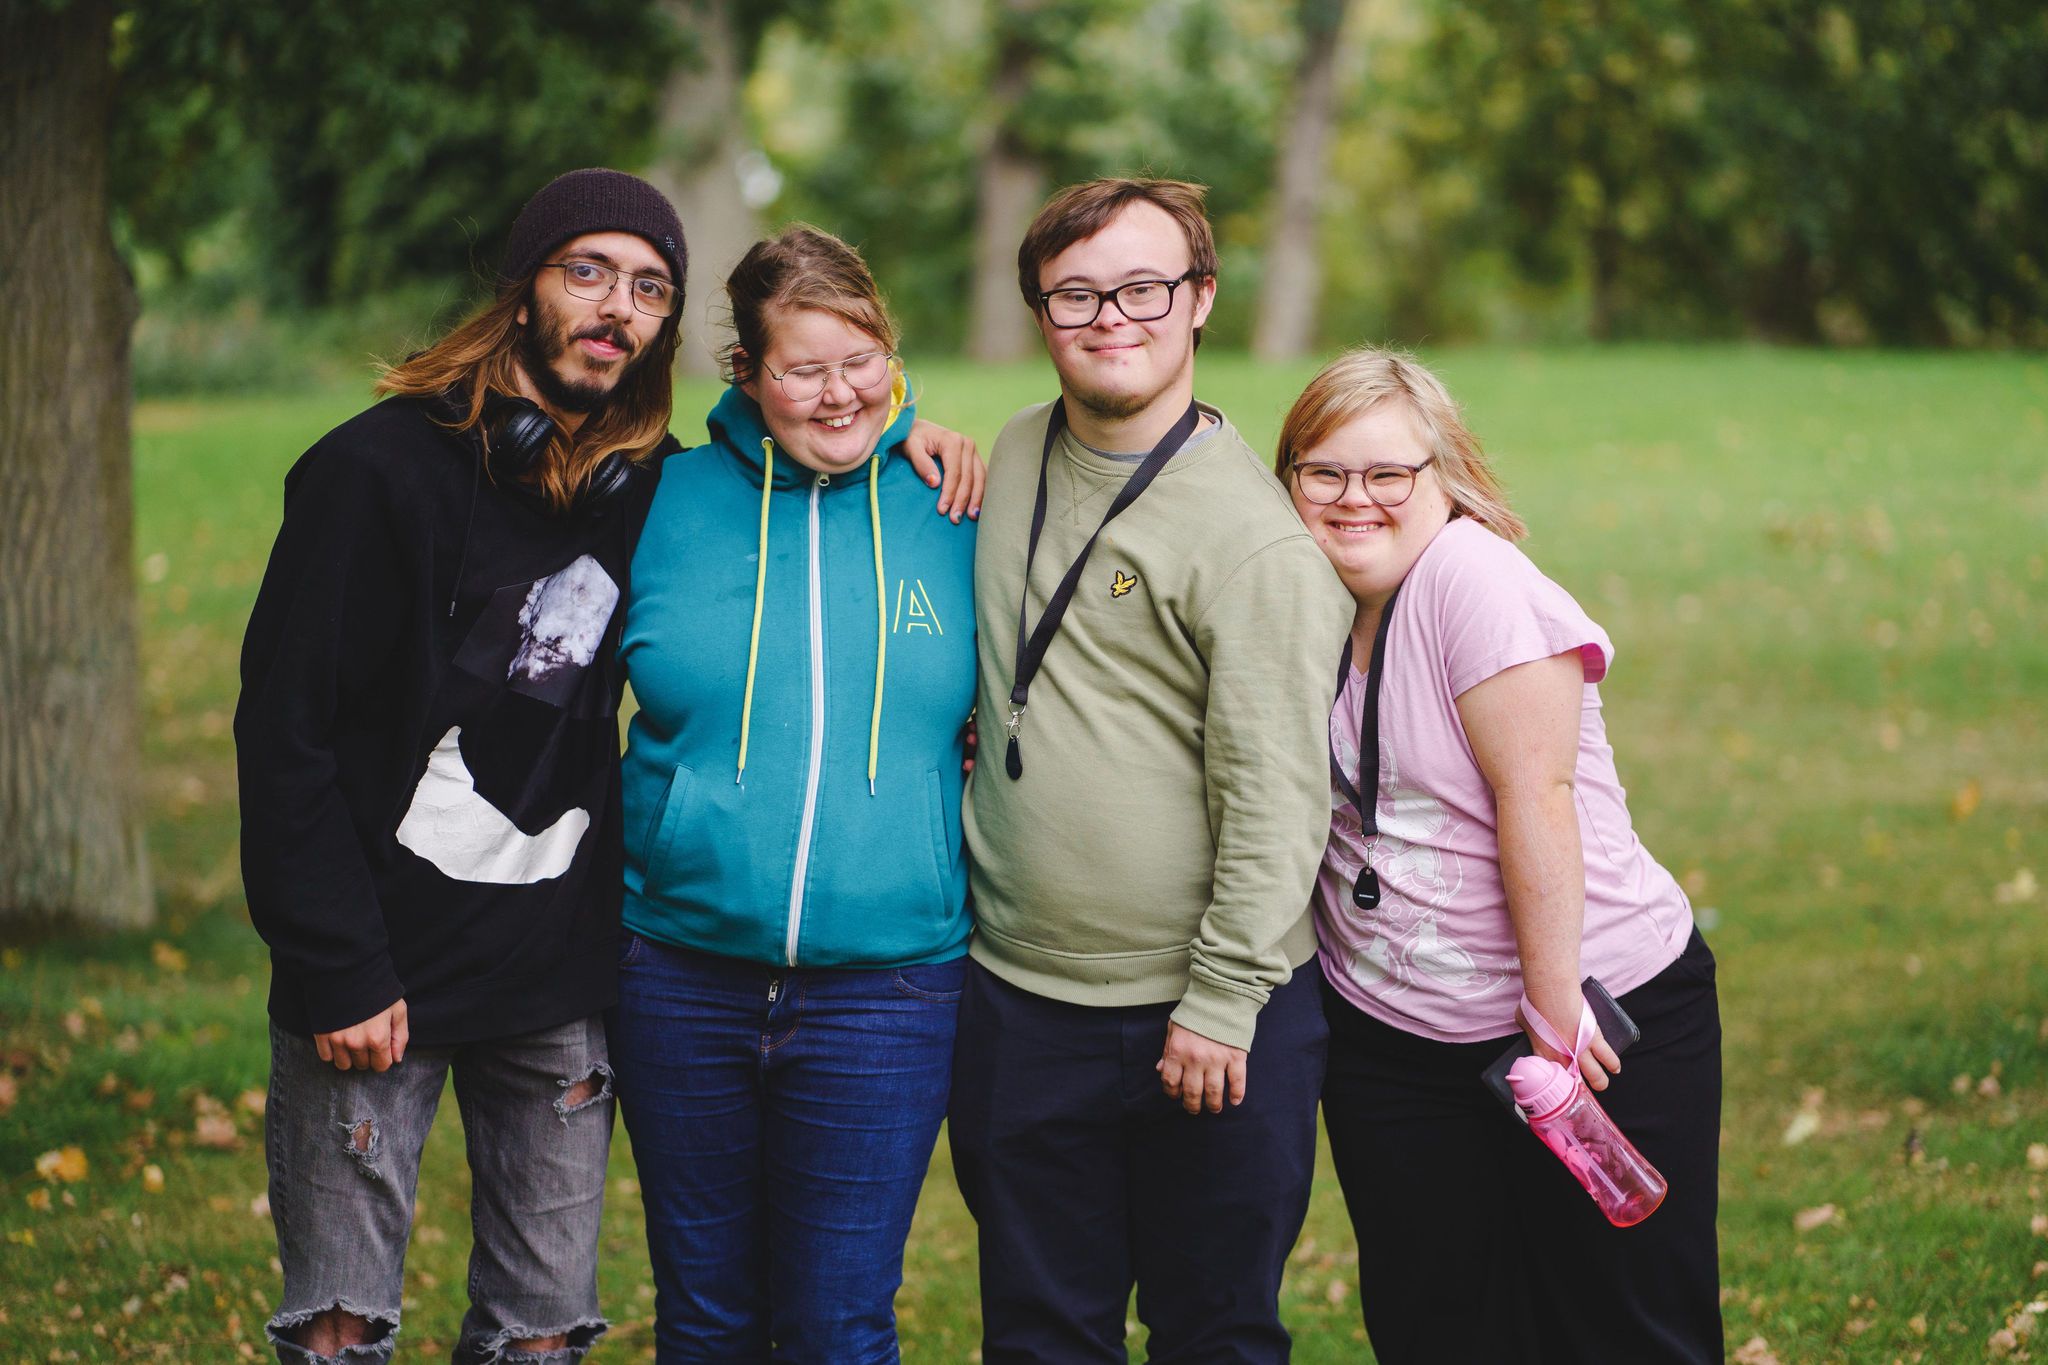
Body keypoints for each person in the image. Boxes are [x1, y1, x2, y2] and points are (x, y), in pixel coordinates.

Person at [236, 172, 978, 1365]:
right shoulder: (382, 475)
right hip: (384, 963)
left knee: (543, 1333)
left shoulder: (642, 489)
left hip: (559, 971)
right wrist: (331, 961)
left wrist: (909, 432)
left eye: (647, 288)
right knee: (340, 1328)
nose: (615, 307)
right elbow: (283, 733)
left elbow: (828, 465)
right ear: (522, 289)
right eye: (585, 271)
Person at [949, 178, 1355, 1362]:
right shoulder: (1014, 453)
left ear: (1199, 300)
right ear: (1038, 310)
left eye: (1141, 287)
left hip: (1208, 1025)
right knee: (1037, 1334)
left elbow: (1280, 802)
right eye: (1074, 292)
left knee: (1213, 1334)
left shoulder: (1256, 545)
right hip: (1019, 1000)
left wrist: (1221, 1007)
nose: (1109, 316)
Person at [1275, 348, 1722, 1363]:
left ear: (1447, 478)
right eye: (1322, 472)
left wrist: (1551, 1011)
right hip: (1392, 1041)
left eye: (1389, 473)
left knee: (1621, 1327)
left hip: (1583, 1024)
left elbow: (1537, 796)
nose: (1355, 500)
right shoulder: (1302, 600)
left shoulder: (1472, 580)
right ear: (1287, 481)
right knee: (1438, 1329)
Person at [606, 225, 979, 1363]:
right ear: (747, 376)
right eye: (801, 369)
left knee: (837, 1329)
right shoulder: (654, 503)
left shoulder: (962, 507)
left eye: (860, 360)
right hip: (678, 975)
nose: (836, 394)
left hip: (888, 989)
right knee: (707, 1321)